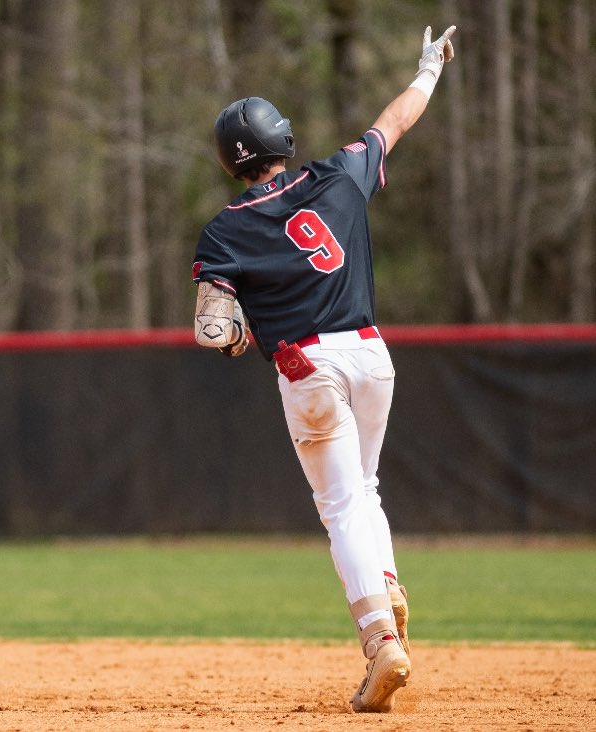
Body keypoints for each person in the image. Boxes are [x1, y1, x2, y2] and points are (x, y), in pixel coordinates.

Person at [191, 25, 457, 713]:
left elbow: (212, 325)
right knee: (363, 489)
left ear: (230, 162)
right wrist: (428, 67)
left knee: (338, 506)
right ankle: (389, 581)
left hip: (306, 366)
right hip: (372, 354)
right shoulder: (338, 175)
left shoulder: (224, 231)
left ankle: (379, 643)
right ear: (281, 141)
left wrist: (233, 337)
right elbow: (392, 121)